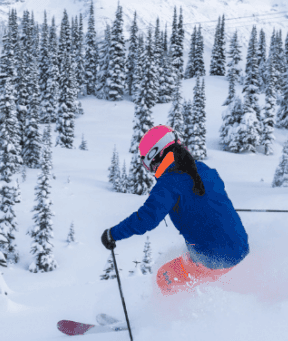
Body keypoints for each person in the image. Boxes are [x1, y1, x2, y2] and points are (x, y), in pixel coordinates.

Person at [101, 125, 249, 295]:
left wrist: (113, 234)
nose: (150, 170)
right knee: (188, 259)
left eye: (147, 164)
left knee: (164, 277)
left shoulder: (169, 184)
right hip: (241, 249)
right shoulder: (204, 169)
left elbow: (146, 219)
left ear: (154, 155)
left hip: (214, 259)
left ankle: (176, 319)